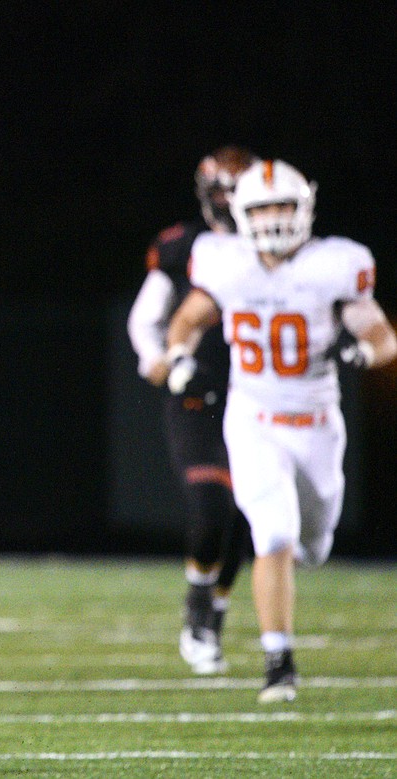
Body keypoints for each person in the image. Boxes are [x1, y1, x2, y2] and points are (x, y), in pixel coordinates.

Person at [165, 159, 397, 703]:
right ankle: (279, 663)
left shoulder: (335, 264)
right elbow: (186, 321)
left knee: (313, 546)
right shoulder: (227, 264)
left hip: (317, 426)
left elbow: (383, 333)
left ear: (305, 207)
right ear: (241, 214)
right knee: (272, 534)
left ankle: (278, 639)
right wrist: (178, 360)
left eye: (282, 206)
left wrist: (361, 349)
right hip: (254, 419)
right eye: (261, 207)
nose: (271, 218)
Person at [126, 145, 256, 674]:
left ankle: (213, 611)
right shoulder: (185, 247)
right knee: (210, 508)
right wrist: (158, 361)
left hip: (257, 399)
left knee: (249, 520)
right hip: (198, 396)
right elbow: (145, 318)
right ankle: (199, 607)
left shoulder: (276, 249)